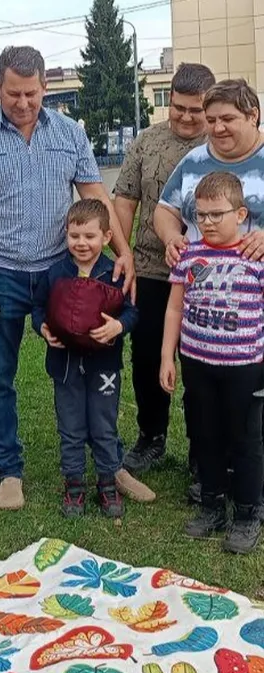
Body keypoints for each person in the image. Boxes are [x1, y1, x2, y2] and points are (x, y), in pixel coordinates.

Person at [0, 45, 136, 511]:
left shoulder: (70, 134)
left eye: (31, 93)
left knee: (94, 368)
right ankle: (8, 470)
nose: (23, 103)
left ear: (45, 88)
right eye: (13, 93)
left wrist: (123, 252)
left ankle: (109, 466)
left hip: (64, 274)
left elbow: (95, 195)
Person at [155, 79, 264, 508]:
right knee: (205, 408)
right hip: (202, 299)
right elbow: (165, 211)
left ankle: (249, 492)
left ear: (253, 116)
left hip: (250, 312)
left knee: (249, 417)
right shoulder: (193, 160)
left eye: (227, 119)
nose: (216, 128)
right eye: (211, 119)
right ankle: (210, 479)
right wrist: (172, 240)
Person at [113, 63, 216, 483]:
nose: (187, 118)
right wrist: (123, 255)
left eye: (196, 110)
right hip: (152, 269)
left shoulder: (221, 143)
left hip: (209, 277)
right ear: (168, 100)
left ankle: (202, 450)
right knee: (148, 357)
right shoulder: (147, 142)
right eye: (179, 108)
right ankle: (151, 436)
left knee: (201, 365)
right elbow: (124, 200)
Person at [160, 172, 264, 554]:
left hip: (244, 367)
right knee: (205, 434)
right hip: (197, 363)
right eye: (200, 215)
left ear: (240, 214)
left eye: (216, 215)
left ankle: (249, 513)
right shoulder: (188, 254)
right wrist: (166, 356)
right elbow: (174, 309)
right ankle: (212, 504)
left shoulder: (256, 257)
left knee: (245, 439)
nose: (206, 223)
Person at [32, 199, 139, 518]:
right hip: (64, 367)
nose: (81, 243)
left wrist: (119, 326)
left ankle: (107, 484)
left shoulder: (115, 274)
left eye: (89, 236)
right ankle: (74, 487)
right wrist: (42, 328)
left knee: (104, 426)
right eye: (75, 235)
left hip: (104, 367)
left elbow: (134, 312)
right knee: (71, 428)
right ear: (66, 234)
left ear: (106, 237)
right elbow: (37, 308)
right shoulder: (55, 273)